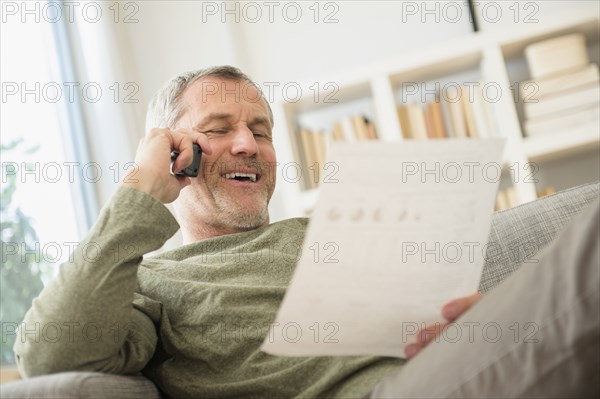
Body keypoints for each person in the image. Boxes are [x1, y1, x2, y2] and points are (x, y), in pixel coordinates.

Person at [14, 66, 599, 398]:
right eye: (219, 129)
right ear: (172, 151)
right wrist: (141, 188)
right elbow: (49, 354)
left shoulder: (338, 229)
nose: (248, 144)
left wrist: (478, 319)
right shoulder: (153, 284)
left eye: (261, 131)